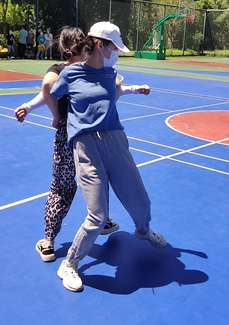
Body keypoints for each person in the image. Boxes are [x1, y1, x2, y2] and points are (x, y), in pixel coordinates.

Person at [14, 26, 151, 264]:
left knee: (91, 180)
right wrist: (55, 115)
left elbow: (113, 88)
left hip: (87, 134)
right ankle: (52, 240)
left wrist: (135, 89)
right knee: (66, 186)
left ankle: (86, 227)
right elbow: (48, 88)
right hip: (73, 135)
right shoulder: (64, 71)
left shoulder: (94, 68)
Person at [49, 21, 166, 292]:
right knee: (98, 215)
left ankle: (142, 231)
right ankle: (69, 263)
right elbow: (51, 93)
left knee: (141, 201)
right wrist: (59, 119)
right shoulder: (70, 73)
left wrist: (133, 90)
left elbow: (115, 94)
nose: (116, 53)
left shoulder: (110, 73)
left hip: (115, 140)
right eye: (114, 48)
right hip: (86, 146)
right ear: (100, 45)